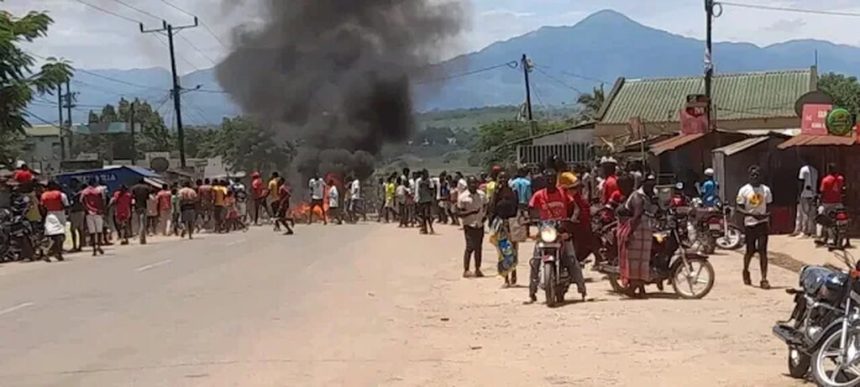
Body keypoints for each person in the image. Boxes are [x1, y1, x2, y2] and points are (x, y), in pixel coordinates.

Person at [526, 170, 586, 303]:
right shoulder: (539, 195)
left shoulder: (563, 193)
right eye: (548, 180)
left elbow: (575, 208)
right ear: (545, 181)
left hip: (561, 230)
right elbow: (530, 209)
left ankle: (582, 288)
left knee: (571, 259)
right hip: (545, 232)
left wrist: (573, 218)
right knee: (535, 261)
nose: (551, 182)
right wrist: (530, 219)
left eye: (553, 179)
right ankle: (532, 291)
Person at [616, 174, 657, 297]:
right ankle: (641, 288)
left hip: (638, 231)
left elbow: (637, 215)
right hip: (645, 231)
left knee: (634, 261)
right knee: (641, 261)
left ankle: (633, 288)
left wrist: (629, 232)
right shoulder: (642, 196)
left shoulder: (636, 197)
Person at [736, 165, 773, 290]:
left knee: (763, 251)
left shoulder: (766, 190)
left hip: (762, 223)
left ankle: (764, 278)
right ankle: (745, 270)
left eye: (757, 174)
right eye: (753, 175)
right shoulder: (744, 190)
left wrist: (766, 215)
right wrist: (750, 214)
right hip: (750, 223)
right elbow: (739, 207)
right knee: (750, 251)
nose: (755, 177)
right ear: (749, 176)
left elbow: (769, 206)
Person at [489, 171, 520, 286]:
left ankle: (514, 274)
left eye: (504, 178)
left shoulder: (513, 192)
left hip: (512, 224)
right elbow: (492, 209)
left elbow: (517, 207)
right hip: (500, 225)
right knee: (503, 251)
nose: (502, 180)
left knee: (514, 250)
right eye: (500, 178)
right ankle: (506, 278)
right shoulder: (495, 194)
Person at [457, 176, 486, 278]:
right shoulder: (463, 197)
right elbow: (459, 213)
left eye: (475, 183)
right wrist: (471, 212)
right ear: (468, 184)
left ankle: (477, 269)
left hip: (479, 224)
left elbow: (485, 205)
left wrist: (484, 216)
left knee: (478, 248)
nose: (473, 185)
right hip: (469, 224)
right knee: (470, 247)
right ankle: (466, 269)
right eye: (471, 183)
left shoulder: (482, 195)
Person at [40, 181, 69, 261]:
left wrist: (44, 215)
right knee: (61, 235)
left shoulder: (44, 195)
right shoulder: (61, 195)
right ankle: (54, 253)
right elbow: (66, 206)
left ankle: (55, 253)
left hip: (49, 215)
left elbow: (42, 207)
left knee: (52, 236)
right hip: (60, 215)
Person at [818, 162, 845, 242]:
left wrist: (820, 201)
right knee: (840, 221)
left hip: (827, 203)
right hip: (838, 203)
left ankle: (822, 236)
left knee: (822, 218)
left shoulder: (825, 180)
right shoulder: (840, 178)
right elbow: (841, 189)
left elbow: (822, 192)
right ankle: (838, 236)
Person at [793, 158, 818, 238]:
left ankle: (804, 231)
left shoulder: (803, 170)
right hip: (813, 194)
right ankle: (812, 231)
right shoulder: (815, 171)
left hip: (804, 194)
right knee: (812, 214)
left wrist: (799, 194)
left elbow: (801, 182)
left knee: (804, 213)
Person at [81, 179, 106, 256]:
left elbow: (81, 201)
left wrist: (87, 209)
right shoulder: (99, 190)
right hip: (98, 212)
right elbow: (103, 200)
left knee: (92, 232)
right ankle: (98, 245)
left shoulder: (84, 191)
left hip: (89, 213)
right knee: (99, 231)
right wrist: (102, 209)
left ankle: (94, 249)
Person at [130, 179, 152, 244]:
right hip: (144, 206)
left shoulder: (134, 188)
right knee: (143, 222)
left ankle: (136, 234)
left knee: (137, 222)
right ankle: (142, 237)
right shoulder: (146, 187)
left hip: (137, 206)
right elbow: (148, 197)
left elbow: (132, 196)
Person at [68, 180, 86, 252]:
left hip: (76, 212)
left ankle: (76, 246)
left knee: (74, 229)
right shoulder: (77, 193)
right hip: (79, 211)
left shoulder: (79, 193)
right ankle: (79, 245)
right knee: (79, 229)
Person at [417, 169, 435, 234]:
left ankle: (431, 228)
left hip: (427, 200)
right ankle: (425, 229)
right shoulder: (420, 182)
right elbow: (419, 191)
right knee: (423, 216)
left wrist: (432, 198)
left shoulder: (428, 181)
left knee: (427, 215)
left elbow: (432, 190)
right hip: (422, 200)